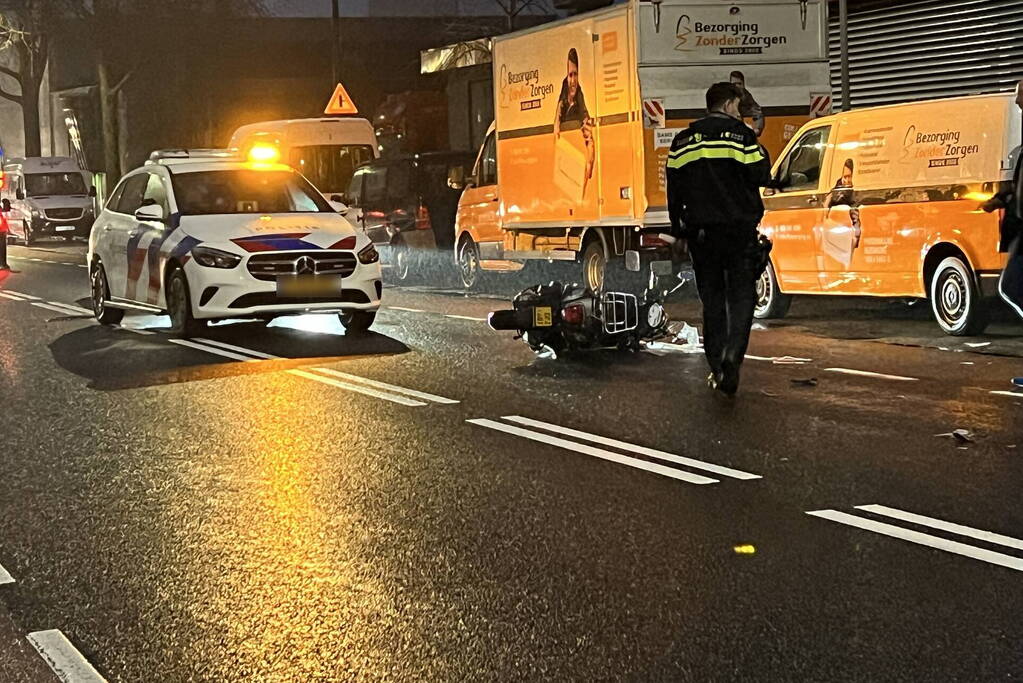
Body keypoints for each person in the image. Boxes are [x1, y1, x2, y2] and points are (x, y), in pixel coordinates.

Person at [666, 82, 771, 395]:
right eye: (737, 106)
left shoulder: (683, 140)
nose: (738, 112)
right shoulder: (742, 136)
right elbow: (760, 174)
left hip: (702, 235)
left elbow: (674, 189)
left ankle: (715, 364)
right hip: (739, 233)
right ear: (727, 105)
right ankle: (731, 360)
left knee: (712, 299)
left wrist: (679, 231)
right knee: (741, 298)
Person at [554, 48, 595, 194]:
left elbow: (585, 118)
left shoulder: (579, 96)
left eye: (575, 74)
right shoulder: (564, 94)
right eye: (570, 75)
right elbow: (558, 114)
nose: (573, 80)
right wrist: (557, 127)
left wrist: (589, 162)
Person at [824, 157, 862, 248]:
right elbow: (828, 200)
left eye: (849, 176)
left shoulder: (855, 191)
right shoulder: (838, 187)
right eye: (845, 177)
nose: (847, 180)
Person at [730, 71, 765, 138]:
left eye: (739, 84)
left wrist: (757, 129)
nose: (737, 86)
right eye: (734, 84)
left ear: (743, 85)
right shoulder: (726, 96)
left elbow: (757, 112)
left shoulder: (746, 95)